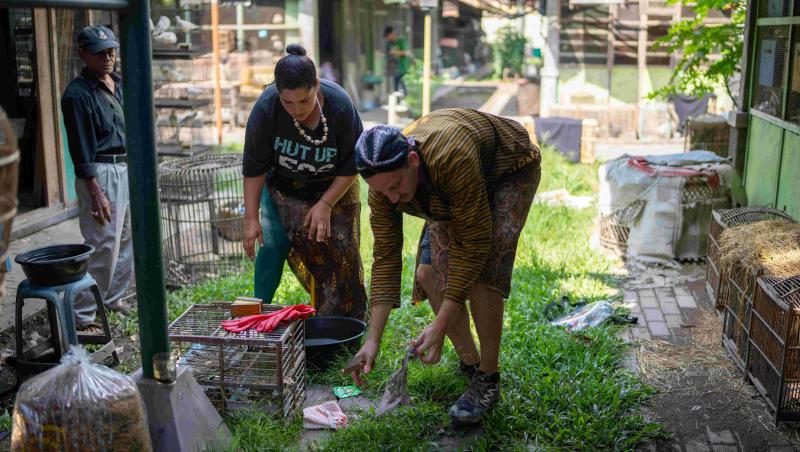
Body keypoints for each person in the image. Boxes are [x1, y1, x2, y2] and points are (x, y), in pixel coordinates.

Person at [350, 108, 542, 424]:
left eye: (397, 186)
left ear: (412, 160)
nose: (394, 200)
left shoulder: (451, 157)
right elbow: (385, 256)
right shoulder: (385, 186)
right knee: (427, 274)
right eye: (384, 191)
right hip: (448, 185)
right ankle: (471, 365)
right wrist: (373, 340)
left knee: (483, 275)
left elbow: (474, 245)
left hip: (507, 169)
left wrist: (439, 324)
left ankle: (489, 376)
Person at [242, 44, 367, 320]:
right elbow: (254, 167)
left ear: (317, 86)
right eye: (288, 102)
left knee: (340, 252)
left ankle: (343, 320)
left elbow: (353, 163)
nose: (296, 110)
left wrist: (325, 203)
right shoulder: (266, 108)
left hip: (334, 185)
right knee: (272, 245)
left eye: (305, 100)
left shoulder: (340, 105)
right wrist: (251, 218)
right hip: (283, 188)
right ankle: (254, 316)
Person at [61, 26, 133, 333]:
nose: (108, 57)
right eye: (99, 52)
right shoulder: (77, 95)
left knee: (127, 239)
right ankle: (84, 314)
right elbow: (79, 148)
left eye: (111, 51)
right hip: (100, 173)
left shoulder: (118, 84)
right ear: (83, 54)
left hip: (125, 166)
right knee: (102, 243)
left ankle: (112, 298)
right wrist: (95, 190)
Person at [383, 26, 411, 95]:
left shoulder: (401, 41)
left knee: (404, 87)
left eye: (387, 36)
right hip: (393, 69)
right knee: (395, 89)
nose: (387, 38)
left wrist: (394, 52)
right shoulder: (389, 44)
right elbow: (387, 54)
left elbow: (407, 53)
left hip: (403, 68)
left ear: (391, 34)